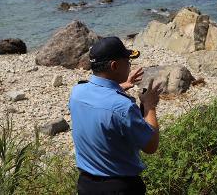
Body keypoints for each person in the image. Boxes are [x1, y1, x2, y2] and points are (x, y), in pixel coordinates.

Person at [69, 36, 162, 195]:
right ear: (115, 66)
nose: (129, 66)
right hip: (120, 187)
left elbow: (101, 98)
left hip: (86, 185)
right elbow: (151, 146)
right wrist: (149, 106)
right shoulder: (123, 107)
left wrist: (122, 86)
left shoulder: (77, 93)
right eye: (128, 62)